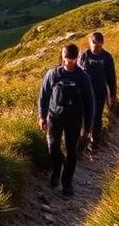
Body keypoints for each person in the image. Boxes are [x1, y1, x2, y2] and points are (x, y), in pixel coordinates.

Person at [37, 43, 95, 197]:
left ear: (77, 58)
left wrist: (88, 126)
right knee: (53, 146)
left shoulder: (83, 77)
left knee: (72, 151)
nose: (68, 63)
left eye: (72, 60)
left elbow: (90, 103)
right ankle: (57, 169)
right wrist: (42, 116)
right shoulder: (53, 74)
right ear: (62, 56)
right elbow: (43, 96)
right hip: (54, 117)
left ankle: (67, 181)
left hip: (74, 119)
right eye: (66, 60)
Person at [78, 31, 118, 151]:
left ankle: (94, 141)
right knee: (85, 116)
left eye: (100, 46)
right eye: (95, 46)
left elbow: (112, 77)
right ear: (90, 42)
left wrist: (112, 95)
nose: (97, 49)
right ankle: (82, 140)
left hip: (100, 92)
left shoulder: (107, 57)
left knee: (97, 117)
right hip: (85, 92)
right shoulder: (84, 55)